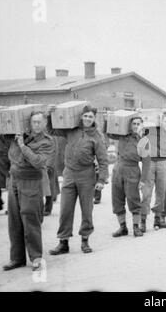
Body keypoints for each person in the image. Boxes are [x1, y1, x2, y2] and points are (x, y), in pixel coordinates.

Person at [0, 110, 55, 271]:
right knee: (14, 222)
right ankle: (17, 259)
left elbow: (38, 162)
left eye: (39, 122)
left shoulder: (47, 142)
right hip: (14, 180)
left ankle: (36, 259)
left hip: (31, 182)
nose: (36, 125)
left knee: (30, 221)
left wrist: (22, 145)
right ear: (29, 122)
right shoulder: (18, 134)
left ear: (45, 123)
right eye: (34, 121)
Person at [48, 105, 109, 255]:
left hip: (86, 175)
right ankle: (63, 242)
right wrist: (50, 115)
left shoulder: (97, 137)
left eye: (91, 116)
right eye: (85, 116)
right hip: (69, 173)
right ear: (81, 117)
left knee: (87, 210)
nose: (87, 119)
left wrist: (101, 179)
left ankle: (85, 240)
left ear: (95, 118)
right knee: (65, 209)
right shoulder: (71, 129)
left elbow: (103, 160)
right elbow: (51, 130)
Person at [107, 116, 150, 238]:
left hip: (132, 170)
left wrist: (143, 180)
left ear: (142, 126)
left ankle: (136, 227)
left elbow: (146, 162)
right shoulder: (122, 135)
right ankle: (122, 227)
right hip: (118, 169)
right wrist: (108, 119)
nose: (136, 126)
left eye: (138, 124)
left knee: (133, 199)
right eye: (134, 123)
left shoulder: (143, 141)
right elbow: (109, 132)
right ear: (130, 125)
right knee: (117, 198)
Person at [140, 112, 166, 232]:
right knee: (146, 192)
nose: (163, 123)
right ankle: (142, 220)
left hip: (163, 163)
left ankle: (157, 218)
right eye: (161, 120)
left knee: (161, 192)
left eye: (165, 121)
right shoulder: (148, 131)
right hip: (149, 163)